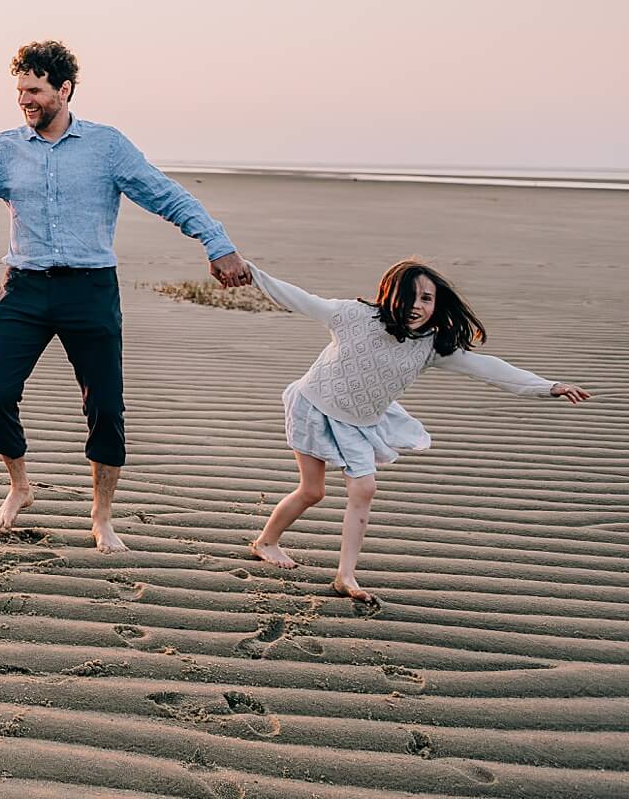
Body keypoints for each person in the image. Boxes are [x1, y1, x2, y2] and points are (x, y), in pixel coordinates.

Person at [0, 40, 249, 553]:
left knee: (106, 407)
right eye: (20, 90)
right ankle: (19, 486)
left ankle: (102, 517)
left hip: (89, 290)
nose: (25, 99)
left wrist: (217, 244)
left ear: (64, 90)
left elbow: (166, 195)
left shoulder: (107, 146)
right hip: (23, 289)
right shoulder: (5, 149)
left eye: (35, 90)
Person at [245, 258, 590, 604]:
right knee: (312, 492)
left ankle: (345, 575)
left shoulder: (430, 344)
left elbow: (487, 368)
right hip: (314, 407)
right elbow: (297, 298)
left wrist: (547, 386)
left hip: (360, 422)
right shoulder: (352, 316)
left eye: (426, 298)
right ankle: (266, 542)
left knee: (364, 489)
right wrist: (250, 271)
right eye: (409, 296)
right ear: (388, 294)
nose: (417, 306)